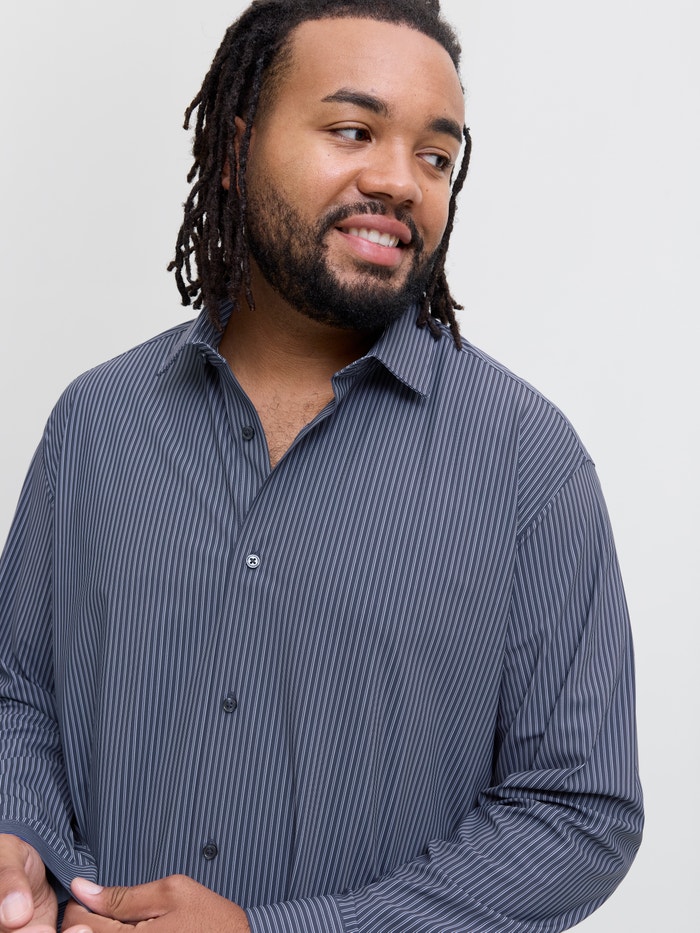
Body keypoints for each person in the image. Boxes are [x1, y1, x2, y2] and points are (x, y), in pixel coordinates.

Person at [0, 1, 643, 931]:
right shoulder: (98, 422)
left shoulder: (528, 464)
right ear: (237, 149)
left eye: (436, 156)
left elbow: (577, 814)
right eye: (353, 130)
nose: (400, 180)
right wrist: (22, 835)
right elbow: (16, 689)